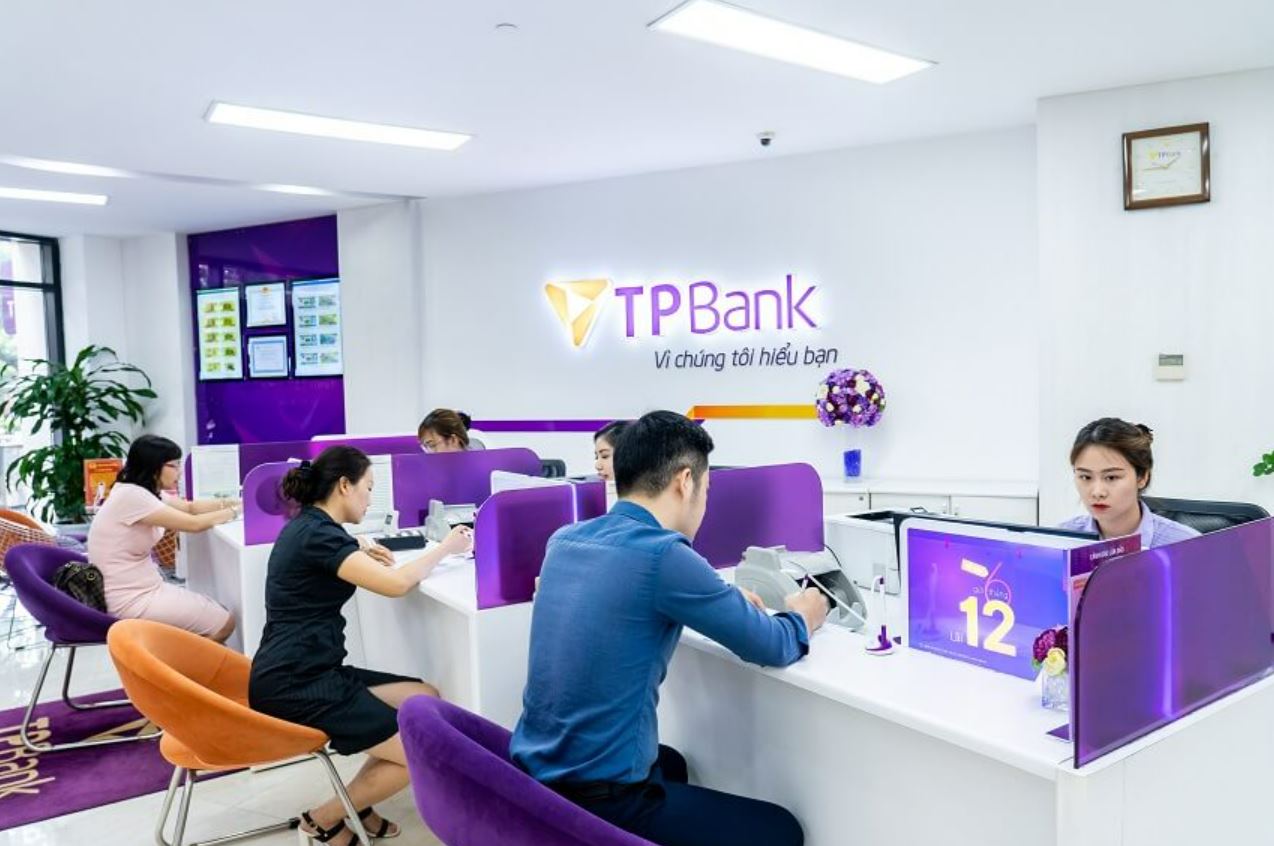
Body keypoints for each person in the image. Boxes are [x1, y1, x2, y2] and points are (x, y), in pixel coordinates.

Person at [510, 411, 829, 846]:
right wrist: (806, 613)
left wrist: (720, 599)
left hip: (537, 774)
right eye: (707, 490)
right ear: (685, 481)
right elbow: (773, 644)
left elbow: (633, 596)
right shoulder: (663, 555)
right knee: (782, 830)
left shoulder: (564, 540)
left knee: (673, 763)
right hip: (602, 798)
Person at [248, 445, 473, 845]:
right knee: (421, 753)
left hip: (313, 667)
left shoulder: (314, 526)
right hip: (296, 681)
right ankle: (324, 819)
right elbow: (396, 585)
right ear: (344, 485)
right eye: (368, 488)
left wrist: (359, 547)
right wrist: (446, 547)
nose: (370, 499)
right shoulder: (319, 536)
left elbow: (327, 556)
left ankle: (359, 803)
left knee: (423, 699)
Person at [87, 435, 239, 641]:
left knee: (215, 614)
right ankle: (177, 661)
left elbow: (189, 508)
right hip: (130, 598)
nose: (180, 472)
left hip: (141, 587)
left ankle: (181, 659)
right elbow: (193, 524)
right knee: (224, 623)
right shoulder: (133, 496)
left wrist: (235, 502)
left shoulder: (141, 490)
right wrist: (235, 512)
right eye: (174, 465)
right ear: (154, 466)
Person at [1059, 417, 1200, 548]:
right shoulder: (1060, 541)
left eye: (1111, 477)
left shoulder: (1187, 545)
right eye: (1085, 477)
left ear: (1142, 477)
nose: (1097, 492)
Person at [417, 408, 484, 453]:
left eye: (432, 445)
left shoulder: (479, 465)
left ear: (453, 440)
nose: (428, 452)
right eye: (425, 447)